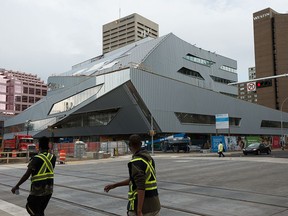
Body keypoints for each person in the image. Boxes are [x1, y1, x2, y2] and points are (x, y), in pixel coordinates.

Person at [104, 134, 161, 216]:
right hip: (155, 205)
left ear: (130, 146)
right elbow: (135, 180)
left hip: (143, 207)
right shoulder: (149, 159)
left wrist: (139, 211)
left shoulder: (136, 162)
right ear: (141, 144)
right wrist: (114, 185)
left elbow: (141, 186)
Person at [11, 136, 56, 216]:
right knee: (40, 210)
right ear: (48, 146)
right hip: (49, 189)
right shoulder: (53, 158)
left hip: (37, 190)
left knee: (30, 207)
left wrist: (16, 186)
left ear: (39, 147)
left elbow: (26, 175)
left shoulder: (36, 159)